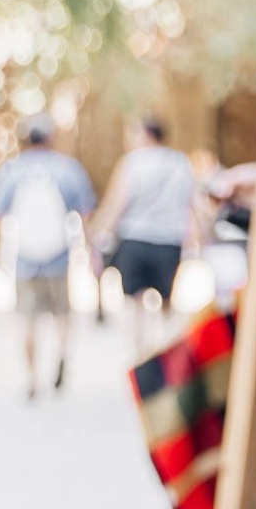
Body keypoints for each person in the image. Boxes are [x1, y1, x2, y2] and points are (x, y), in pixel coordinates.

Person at [0, 116, 97, 399]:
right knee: (62, 313)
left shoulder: (11, 171)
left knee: (26, 319)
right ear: (50, 138)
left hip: (25, 257)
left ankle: (31, 378)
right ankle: (61, 357)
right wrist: (88, 248)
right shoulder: (67, 169)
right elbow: (84, 212)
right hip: (58, 255)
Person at [90, 114, 198, 348]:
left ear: (147, 134)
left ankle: (138, 356)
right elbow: (191, 204)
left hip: (135, 240)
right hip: (170, 240)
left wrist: (100, 234)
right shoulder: (180, 162)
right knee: (168, 301)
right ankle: (168, 356)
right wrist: (196, 238)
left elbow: (117, 203)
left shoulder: (132, 162)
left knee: (134, 303)